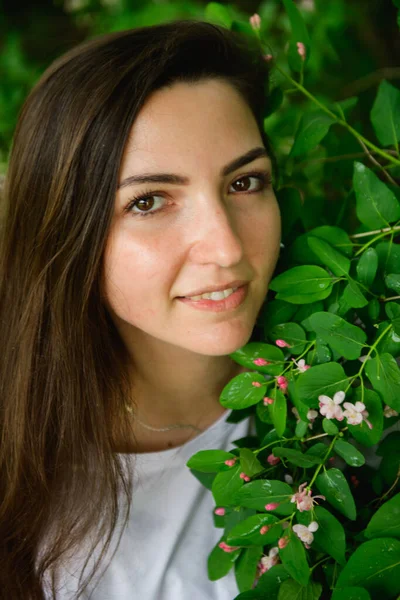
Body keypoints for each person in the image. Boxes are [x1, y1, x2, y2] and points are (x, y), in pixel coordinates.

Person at [0, 19, 281, 599]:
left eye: (246, 182)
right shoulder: (21, 473)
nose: (226, 247)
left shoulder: (359, 400)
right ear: (66, 233)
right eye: (149, 201)